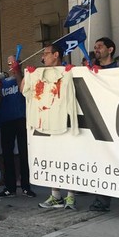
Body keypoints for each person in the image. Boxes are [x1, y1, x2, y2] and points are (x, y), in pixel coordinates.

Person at [88, 38, 119, 216]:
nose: (96, 49)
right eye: (95, 47)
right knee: (102, 162)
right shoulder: (91, 70)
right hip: (100, 121)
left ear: (110, 49)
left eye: (100, 46)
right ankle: (102, 200)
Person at [35, 44, 77, 210]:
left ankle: (71, 196)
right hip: (49, 123)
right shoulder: (41, 74)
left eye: (45, 53)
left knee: (69, 159)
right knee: (53, 158)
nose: (42, 57)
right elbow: (24, 88)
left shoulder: (70, 71)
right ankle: (56, 195)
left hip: (65, 122)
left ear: (56, 54)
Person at [0, 54, 34, 199]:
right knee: (7, 154)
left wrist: (17, 72)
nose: (11, 66)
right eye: (9, 63)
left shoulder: (24, 78)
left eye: (13, 63)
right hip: (6, 120)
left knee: (24, 153)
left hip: (21, 118)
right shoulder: (4, 81)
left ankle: (26, 187)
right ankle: (9, 187)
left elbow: (23, 91)